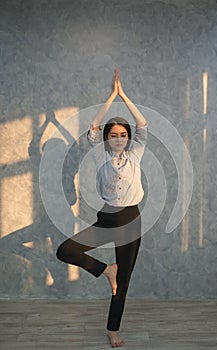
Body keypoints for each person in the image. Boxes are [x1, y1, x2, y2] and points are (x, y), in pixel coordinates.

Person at [56, 68, 147, 347]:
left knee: (124, 281)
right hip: (107, 218)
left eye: (122, 134)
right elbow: (94, 126)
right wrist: (111, 96)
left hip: (131, 221)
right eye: (114, 134)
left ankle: (112, 329)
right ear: (107, 138)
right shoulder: (100, 155)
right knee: (66, 250)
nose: (118, 138)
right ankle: (105, 270)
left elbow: (142, 123)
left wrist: (124, 95)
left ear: (127, 138)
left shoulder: (136, 153)